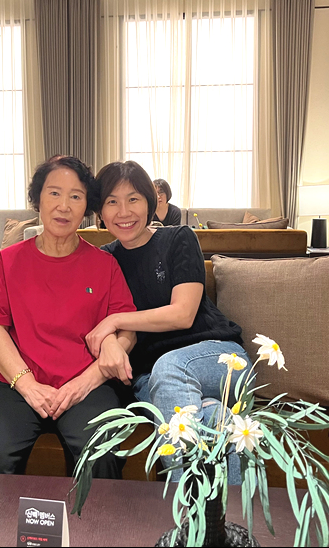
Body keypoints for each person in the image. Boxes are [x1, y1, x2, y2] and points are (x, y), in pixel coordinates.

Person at [0, 155, 136, 478]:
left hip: (87, 386)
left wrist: (84, 384)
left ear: (87, 207)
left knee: (100, 457)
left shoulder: (105, 265)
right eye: (54, 193)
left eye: (76, 196)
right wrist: (27, 385)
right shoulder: (8, 261)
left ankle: (94, 517)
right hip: (16, 386)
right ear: (38, 200)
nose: (64, 206)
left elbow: (127, 331)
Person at [85, 161, 250, 483]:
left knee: (170, 368)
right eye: (112, 201)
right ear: (100, 212)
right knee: (215, 418)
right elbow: (97, 324)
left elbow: (182, 314)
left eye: (133, 199)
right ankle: (233, 512)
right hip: (149, 378)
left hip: (218, 358)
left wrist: (115, 319)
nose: (123, 211)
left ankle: (180, 505)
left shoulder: (178, 239)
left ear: (150, 203)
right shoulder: (103, 260)